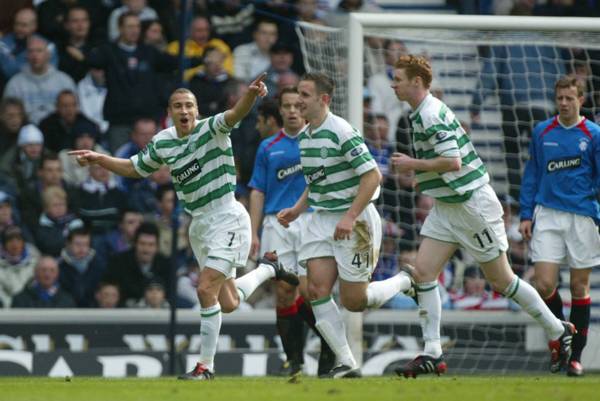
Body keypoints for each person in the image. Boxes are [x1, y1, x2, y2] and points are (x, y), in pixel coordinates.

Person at [68, 74, 298, 380]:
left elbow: (236, 113)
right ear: (170, 112)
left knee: (204, 288)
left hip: (228, 215)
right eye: (178, 106)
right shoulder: (164, 141)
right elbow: (135, 168)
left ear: (197, 109)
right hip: (199, 225)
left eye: (189, 105)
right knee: (227, 302)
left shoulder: (212, 128)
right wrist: (99, 158)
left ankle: (205, 367)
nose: (184, 110)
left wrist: (250, 95)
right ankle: (269, 268)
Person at [389, 54, 575, 378]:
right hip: (448, 206)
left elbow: (453, 162)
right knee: (423, 273)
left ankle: (558, 330)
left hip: (471, 205)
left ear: (415, 82)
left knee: (502, 280)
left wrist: (413, 165)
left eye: (398, 79)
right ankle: (432, 351)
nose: (394, 84)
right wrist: (424, 176)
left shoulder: (431, 114)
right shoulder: (419, 113)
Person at [276, 72, 414, 378]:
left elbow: (372, 176)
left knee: (355, 301)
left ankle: (404, 281)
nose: (298, 99)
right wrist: (298, 209)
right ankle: (347, 361)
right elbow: (316, 181)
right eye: (298, 92)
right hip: (320, 219)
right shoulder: (307, 135)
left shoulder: (341, 131)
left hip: (355, 219)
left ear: (323, 100)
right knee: (315, 289)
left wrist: (350, 217)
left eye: (305, 94)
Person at [249, 88, 335, 377]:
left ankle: (330, 346)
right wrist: (254, 230)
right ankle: (294, 361)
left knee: (311, 290)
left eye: (298, 105)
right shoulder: (268, 146)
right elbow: (258, 190)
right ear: (281, 111)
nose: (293, 111)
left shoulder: (319, 139)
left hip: (312, 221)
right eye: (287, 106)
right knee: (284, 293)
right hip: (277, 223)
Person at [519, 75, 600, 377]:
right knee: (543, 284)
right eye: (560, 98)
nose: (564, 103)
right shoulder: (543, 131)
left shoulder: (594, 135)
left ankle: (576, 356)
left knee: (579, 286)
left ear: (581, 100)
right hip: (548, 214)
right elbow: (532, 174)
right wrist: (526, 214)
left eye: (570, 98)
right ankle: (560, 335)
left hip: (581, 215)